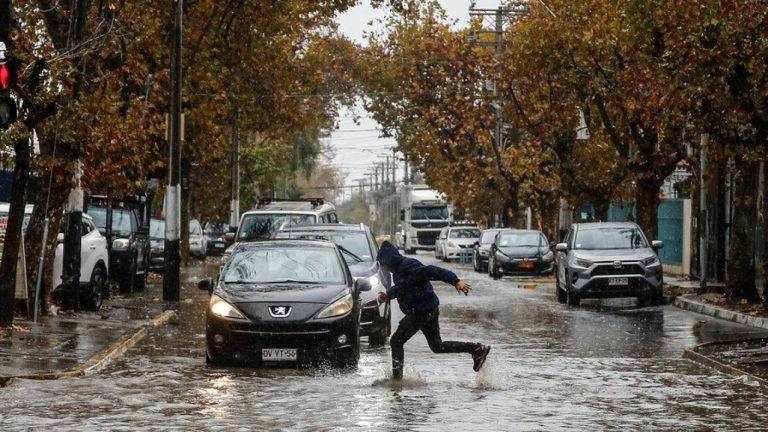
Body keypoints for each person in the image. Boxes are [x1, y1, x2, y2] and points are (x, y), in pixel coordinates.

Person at [376, 241, 491, 380]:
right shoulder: (398, 270)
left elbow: (433, 271)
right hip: (428, 309)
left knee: (396, 341)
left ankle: (396, 380)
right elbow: (403, 287)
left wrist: (455, 281)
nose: (382, 267)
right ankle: (476, 349)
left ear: (389, 260)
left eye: (382, 263)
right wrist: (389, 295)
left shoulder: (409, 266)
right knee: (437, 346)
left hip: (420, 312)